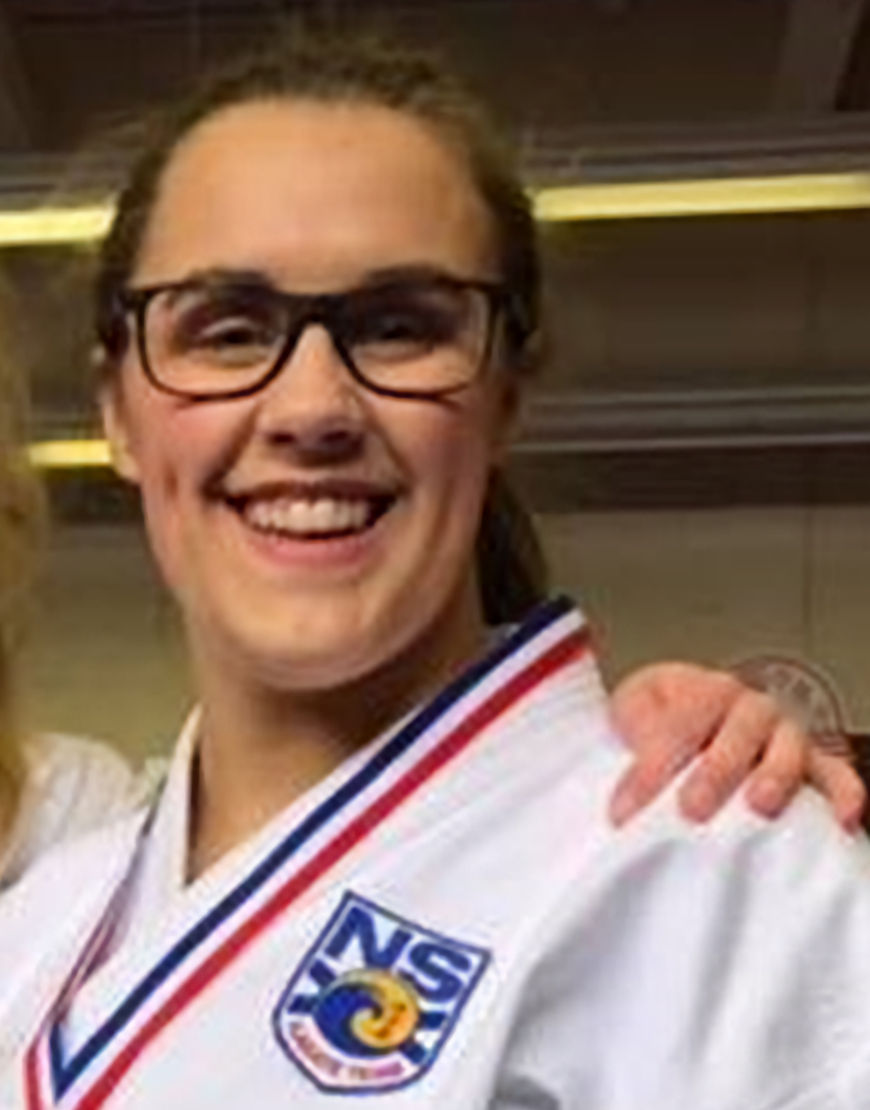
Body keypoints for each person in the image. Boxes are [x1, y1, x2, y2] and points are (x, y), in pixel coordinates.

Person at [1, 31, 869, 1108]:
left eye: (399, 327)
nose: (312, 407)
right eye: (227, 331)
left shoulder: (712, 882)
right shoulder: (42, 924)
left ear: (506, 395)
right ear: (118, 413)